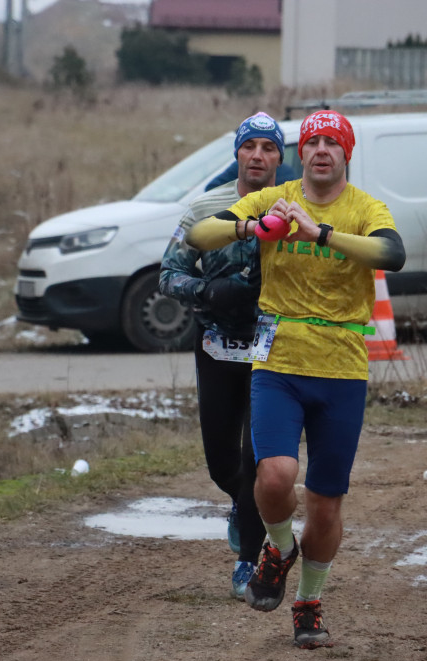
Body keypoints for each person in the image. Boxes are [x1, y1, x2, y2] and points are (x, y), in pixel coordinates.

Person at [186, 110, 405, 649]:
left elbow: (391, 253)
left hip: (341, 369)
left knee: (327, 503)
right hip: (278, 363)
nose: (322, 150)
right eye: (312, 142)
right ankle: (279, 549)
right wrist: (253, 227)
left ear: (346, 153)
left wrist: (322, 234)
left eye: (333, 142)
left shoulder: (364, 207)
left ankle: (308, 603)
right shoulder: (274, 198)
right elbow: (199, 233)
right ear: (300, 154)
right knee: (276, 476)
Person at [158, 111, 288, 600]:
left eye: (268, 148)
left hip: (272, 351)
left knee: (259, 460)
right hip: (216, 345)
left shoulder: (292, 207)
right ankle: (241, 503)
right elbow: (167, 275)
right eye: (250, 146)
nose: (258, 156)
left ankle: (246, 562)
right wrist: (211, 292)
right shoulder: (204, 209)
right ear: (237, 153)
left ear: (280, 157)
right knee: (221, 464)